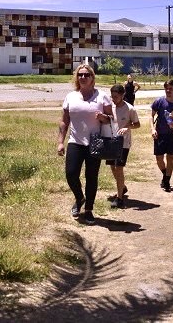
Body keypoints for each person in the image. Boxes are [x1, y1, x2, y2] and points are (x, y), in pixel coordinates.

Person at [57, 64, 113, 225]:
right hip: (75, 142)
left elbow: (112, 119)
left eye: (86, 75)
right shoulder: (71, 97)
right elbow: (64, 121)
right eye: (80, 75)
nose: (82, 77)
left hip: (95, 142)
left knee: (91, 177)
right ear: (76, 77)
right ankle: (79, 198)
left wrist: (104, 117)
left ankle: (88, 210)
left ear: (92, 78)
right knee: (71, 174)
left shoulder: (102, 96)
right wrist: (60, 142)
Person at [106, 84, 140, 209]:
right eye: (112, 96)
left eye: (116, 96)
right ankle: (122, 187)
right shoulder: (110, 107)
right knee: (112, 167)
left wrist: (128, 127)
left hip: (123, 143)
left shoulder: (130, 109)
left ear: (122, 95)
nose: (113, 99)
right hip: (110, 141)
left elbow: (137, 124)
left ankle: (119, 199)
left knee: (119, 168)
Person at [151, 80, 173, 192]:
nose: (168, 91)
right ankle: (165, 175)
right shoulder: (159, 101)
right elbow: (151, 116)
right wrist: (152, 129)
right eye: (166, 88)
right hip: (159, 135)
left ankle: (167, 181)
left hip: (172, 135)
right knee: (159, 159)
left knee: (170, 158)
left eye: (171, 88)